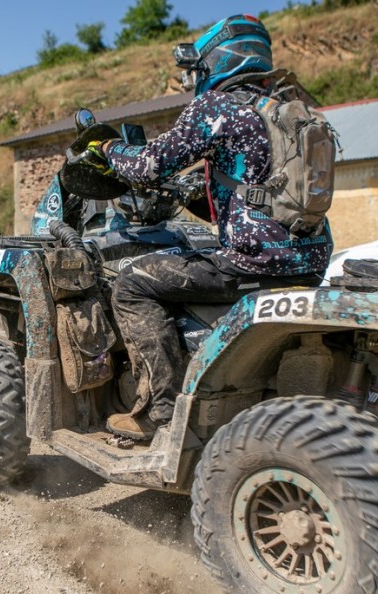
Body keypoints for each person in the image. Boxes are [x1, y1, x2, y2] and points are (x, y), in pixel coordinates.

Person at [83, 14, 335, 440]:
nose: (194, 80)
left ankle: (156, 410)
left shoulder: (217, 107)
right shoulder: (289, 112)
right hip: (309, 261)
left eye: (196, 71)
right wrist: (189, 191)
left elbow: (148, 165)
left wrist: (108, 149)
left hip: (251, 263)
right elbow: (257, 193)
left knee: (131, 283)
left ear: (214, 63)